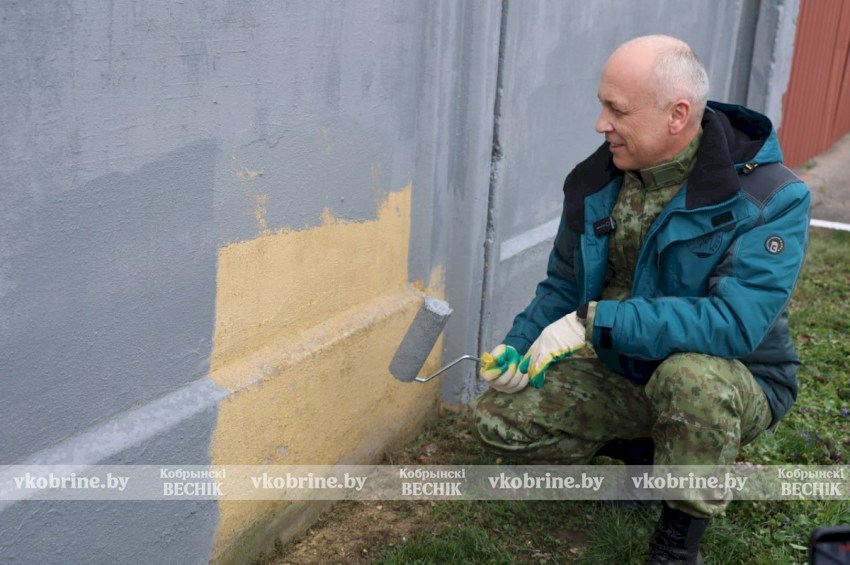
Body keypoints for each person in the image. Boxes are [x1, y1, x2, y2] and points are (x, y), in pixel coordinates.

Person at [472, 35, 811, 564]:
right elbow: (563, 284)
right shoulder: (595, 181)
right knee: (501, 418)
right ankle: (649, 457)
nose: (600, 123)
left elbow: (734, 323)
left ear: (677, 115)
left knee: (690, 380)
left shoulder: (770, 198)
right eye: (602, 105)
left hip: (734, 375)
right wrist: (519, 348)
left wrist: (595, 322)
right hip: (625, 365)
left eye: (617, 110)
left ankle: (678, 540)